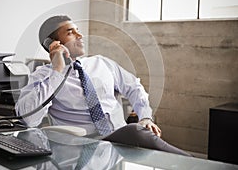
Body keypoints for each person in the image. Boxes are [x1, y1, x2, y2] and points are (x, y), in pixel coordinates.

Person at [15, 15, 191, 156]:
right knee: (137, 133)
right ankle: (190, 164)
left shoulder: (101, 63)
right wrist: (57, 70)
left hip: (120, 136)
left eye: (78, 30)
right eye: (70, 32)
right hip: (85, 144)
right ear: (53, 43)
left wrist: (145, 117)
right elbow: (29, 119)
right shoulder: (43, 76)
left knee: (139, 133)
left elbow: (134, 87)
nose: (80, 35)